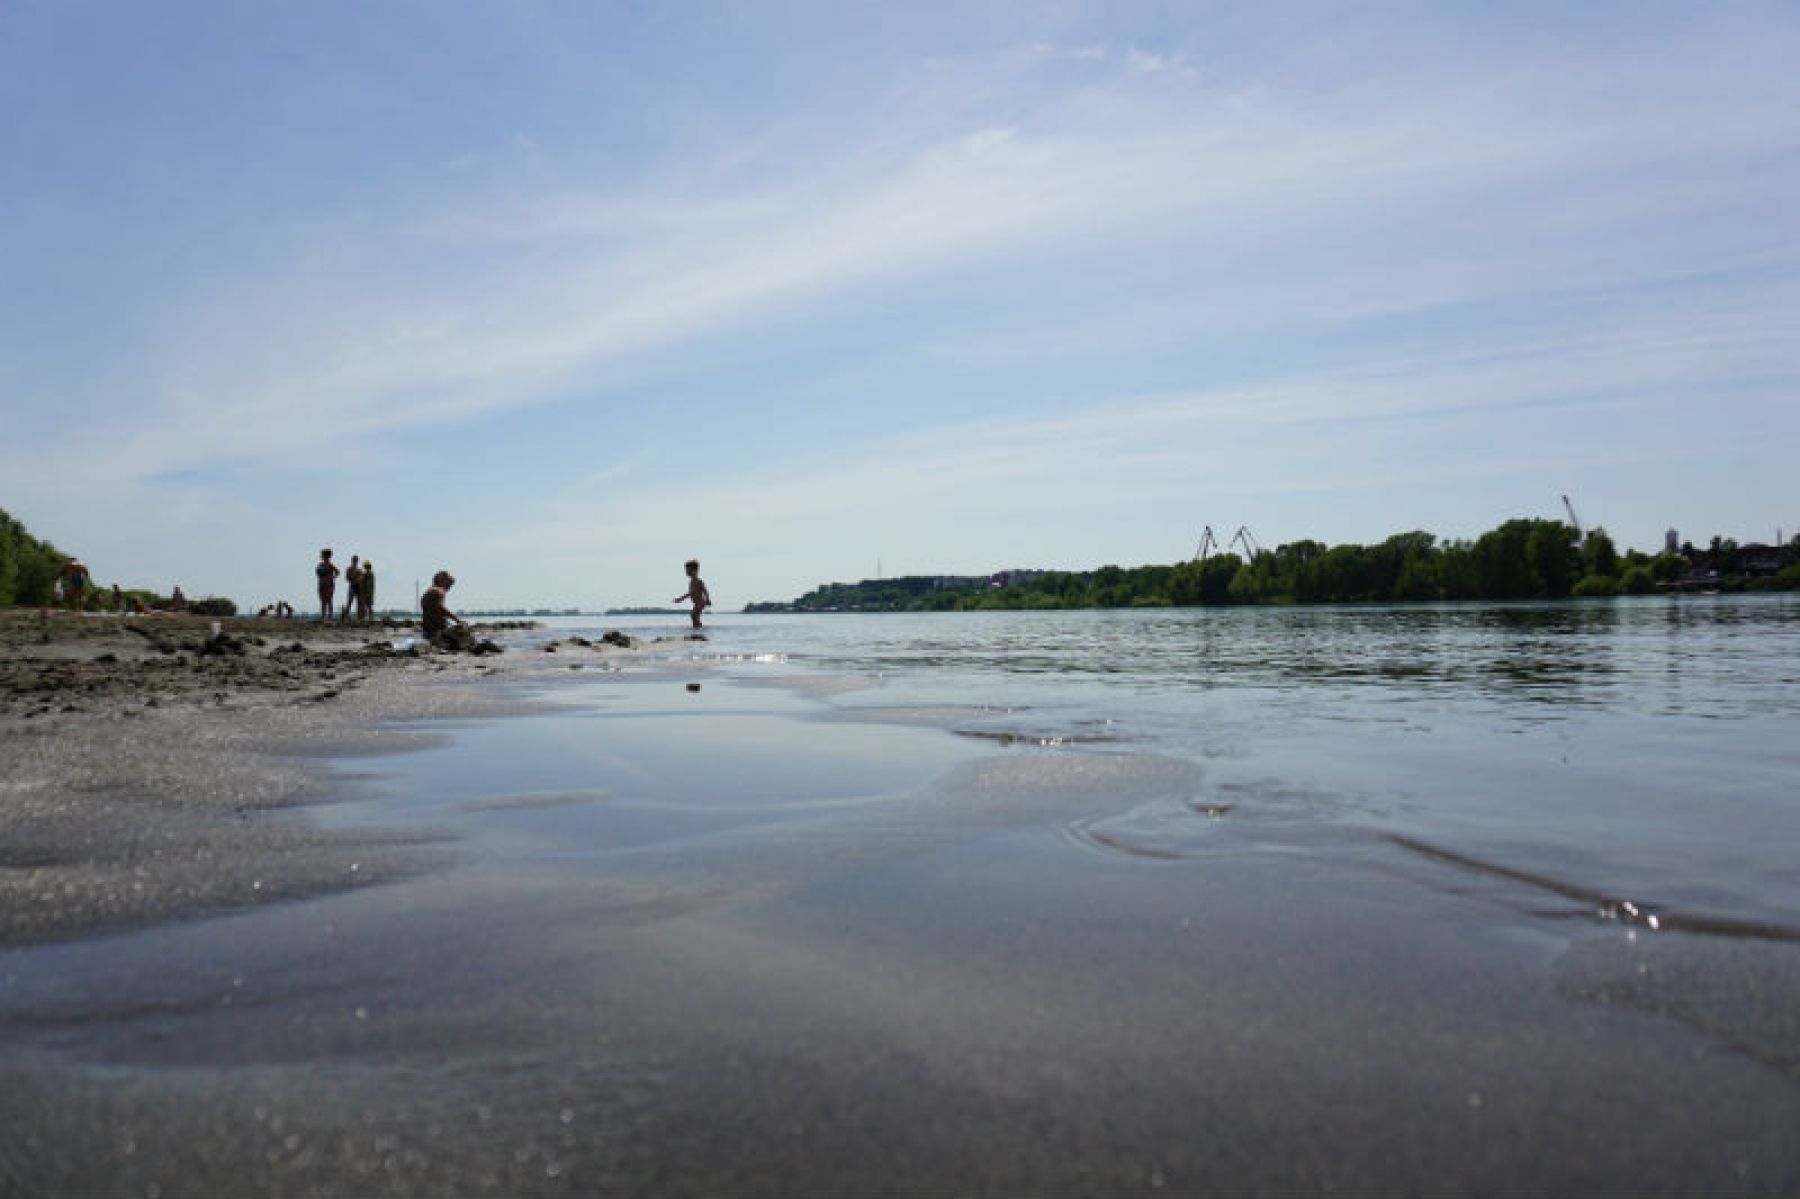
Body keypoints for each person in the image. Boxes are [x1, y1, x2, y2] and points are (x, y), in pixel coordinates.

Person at [421, 570, 464, 639]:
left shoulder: (428, 591)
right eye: (449, 584)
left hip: (426, 629)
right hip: (437, 629)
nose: (449, 588)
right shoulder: (439, 591)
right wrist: (457, 620)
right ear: (442, 581)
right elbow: (441, 608)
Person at [673, 558, 711, 629]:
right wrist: (680, 599)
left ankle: (698, 628)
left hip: (700, 602)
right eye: (687, 571)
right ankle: (697, 628)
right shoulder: (691, 582)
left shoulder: (698, 581)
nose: (688, 572)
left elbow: (705, 591)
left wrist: (707, 599)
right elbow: (690, 593)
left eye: (690, 571)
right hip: (696, 603)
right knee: (694, 616)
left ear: (696, 571)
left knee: (694, 615)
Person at [315, 549, 339, 621]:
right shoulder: (320, 564)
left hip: (329, 584)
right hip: (322, 584)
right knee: (323, 600)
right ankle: (323, 616)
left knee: (328, 600)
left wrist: (332, 578)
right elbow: (317, 573)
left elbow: (337, 572)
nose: (321, 556)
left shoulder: (330, 565)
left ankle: (329, 616)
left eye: (322, 555)